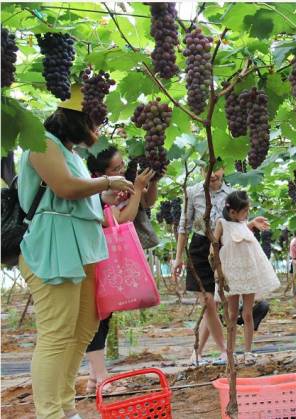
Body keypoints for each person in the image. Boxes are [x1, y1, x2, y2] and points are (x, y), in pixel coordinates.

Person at [17, 86, 134, 419]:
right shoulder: (40, 142)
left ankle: (66, 407)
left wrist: (101, 197)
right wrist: (107, 183)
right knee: (56, 332)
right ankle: (50, 413)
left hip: (82, 248)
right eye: (94, 121)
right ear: (75, 119)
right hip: (53, 247)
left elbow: (79, 195)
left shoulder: (73, 154)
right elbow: (65, 188)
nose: (98, 130)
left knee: (84, 326)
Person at [83, 146, 156, 394]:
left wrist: (139, 189)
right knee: (97, 317)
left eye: (122, 166)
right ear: (98, 174)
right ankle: (102, 378)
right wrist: (136, 190)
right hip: (95, 260)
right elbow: (122, 218)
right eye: (115, 169)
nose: (121, 171)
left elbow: (137, 208)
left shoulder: (111, 190)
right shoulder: (98, 193)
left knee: (102, 314)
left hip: (102, 259)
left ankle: (95, 378)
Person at [172, 162, 230, 365]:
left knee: (212, 304)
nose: (212, 174)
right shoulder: (192, 192)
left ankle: (198, 351)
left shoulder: (231, 193)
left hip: (222, 248)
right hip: (199, 247)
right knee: (207, 301)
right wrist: (178, 257)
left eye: (217, 169)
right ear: (201, 171)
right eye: (207, 170)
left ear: (224, 169)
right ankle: (225, 350)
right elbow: (184, 226)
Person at [214, 191, 280, 364]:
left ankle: (248, 352)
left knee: (248, 313)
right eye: (244, 211)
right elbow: (214, 246)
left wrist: (251, 223)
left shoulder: (243, 223)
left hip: (248, 275)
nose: (247, 214)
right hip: (232, 276)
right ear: (232, 212)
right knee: (232, 314)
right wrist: (217, 269)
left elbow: (241, 233)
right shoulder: (221, 224)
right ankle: (231, 352)